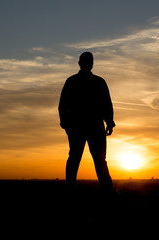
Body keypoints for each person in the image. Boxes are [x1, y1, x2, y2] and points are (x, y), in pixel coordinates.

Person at [58, 52, 116, 194]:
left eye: (90, 61)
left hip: (89, 127)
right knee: (80, 159)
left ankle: (108, 191)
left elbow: (106, 104)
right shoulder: (79, 81)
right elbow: (63, 105)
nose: (88, 63)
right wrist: (66, 124)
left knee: (94, 159)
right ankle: (107, 191)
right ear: (81, 63)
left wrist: (109, 121)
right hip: (84, 127)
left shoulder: (87, 81)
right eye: (87, 61)